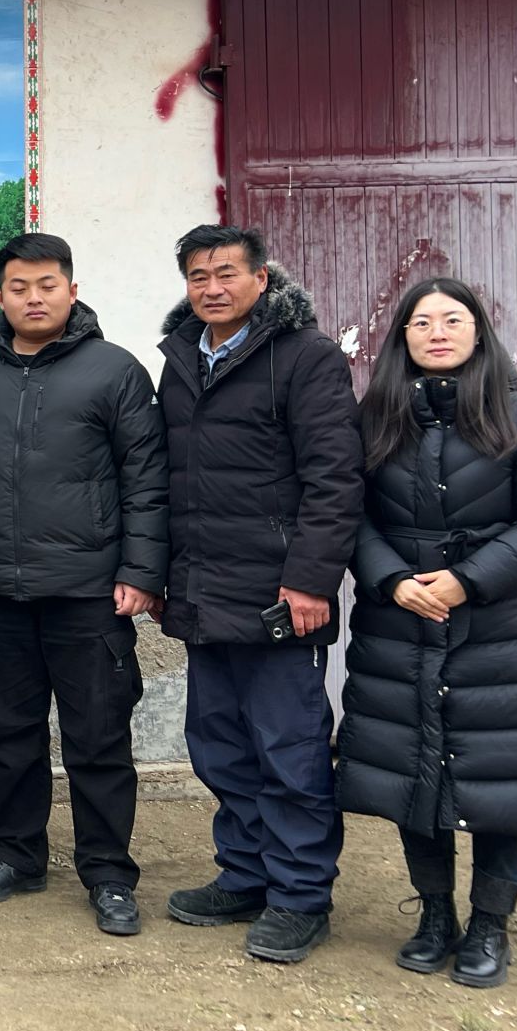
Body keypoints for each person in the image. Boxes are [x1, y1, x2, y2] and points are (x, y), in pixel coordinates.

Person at [335, 279, 517, 989]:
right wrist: (390, 579)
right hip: (399, 624)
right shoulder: (375, 420)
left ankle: (490, 924)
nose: (437, 332)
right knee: (416, 768)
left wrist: (468, 579)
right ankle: (435, 914)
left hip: (493, 628)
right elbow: (347, 513)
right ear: (402, 337)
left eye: (452, 319)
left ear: (477, 332)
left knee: (499, 773)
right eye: (421, 322)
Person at [156, 224, 363, 963]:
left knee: (290, 748)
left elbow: (336, 478)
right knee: (219, 745)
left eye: (226, 273)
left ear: (262, 278)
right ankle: (245, 874)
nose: (212, 288)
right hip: (203, 590)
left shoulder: (305, 357)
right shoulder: (182, 358)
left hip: (280, 594)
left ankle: (301, 895)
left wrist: (310, 580)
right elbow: (171, 479)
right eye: (198, 276)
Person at [0, 233, 169, 936]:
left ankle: (108, 872)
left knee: (97, 739)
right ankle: (17, 855)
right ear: (0, 296)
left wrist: (140, 572)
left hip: (89, 593)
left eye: (48, 285)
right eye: (19, 287)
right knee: (8, 735)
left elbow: (147, 479)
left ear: (72, 291)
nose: (34, 298)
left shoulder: (116, 371)